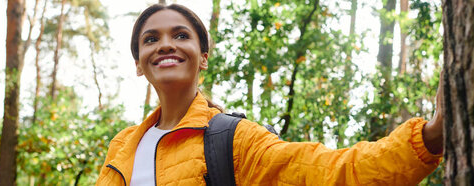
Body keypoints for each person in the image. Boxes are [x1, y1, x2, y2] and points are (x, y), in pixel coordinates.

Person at [96, 3, 444, 186]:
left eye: (181, 35)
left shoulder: (233, 140)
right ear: (139, 64)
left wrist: (427, 138)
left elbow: (329, 173)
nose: (166, 44)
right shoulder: (123, 148)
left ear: (202, 58)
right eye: (151, 39)